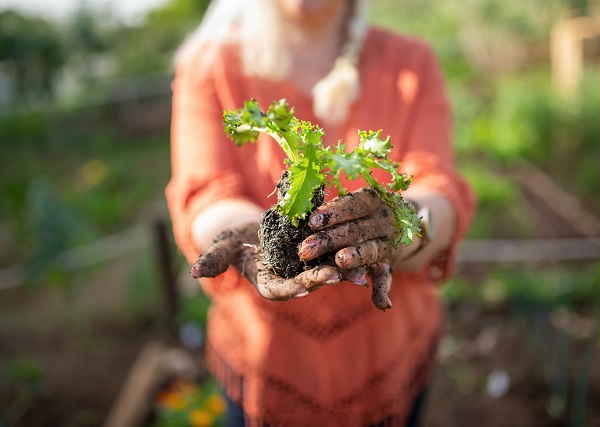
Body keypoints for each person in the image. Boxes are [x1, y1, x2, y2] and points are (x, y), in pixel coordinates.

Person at [166, 0, 476, 425]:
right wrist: (253, 236)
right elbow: (206, 193)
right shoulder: (210, 65)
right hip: (265, 358)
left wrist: (405, 224)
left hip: (390, 354)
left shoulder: (411, 63)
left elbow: (436, 186)